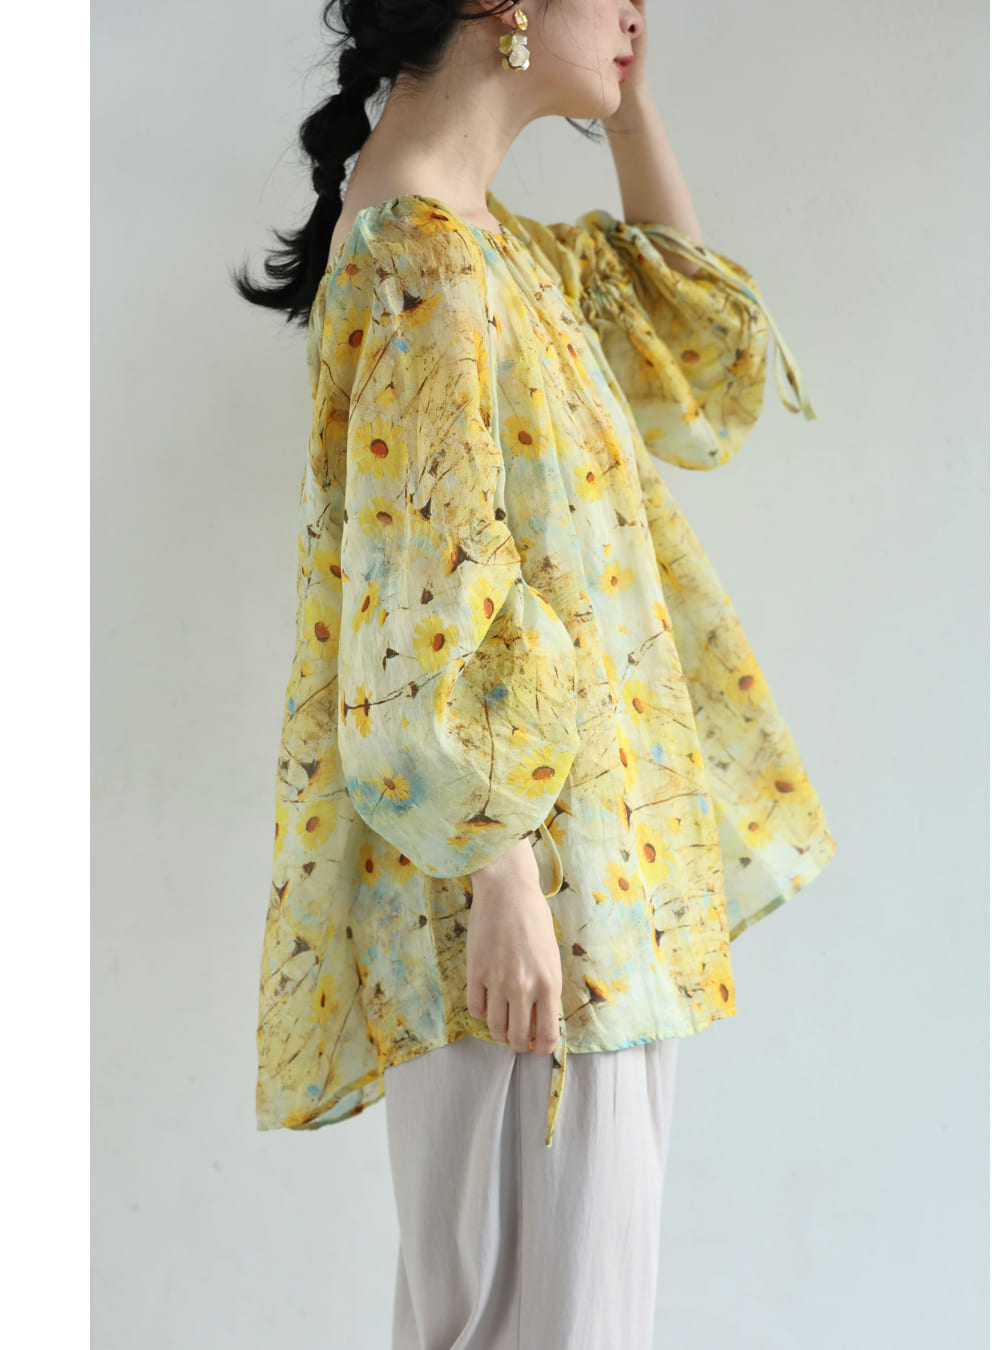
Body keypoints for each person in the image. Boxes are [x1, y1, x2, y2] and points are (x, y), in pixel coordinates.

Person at [234, 2, 837, 1346]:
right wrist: (501, 878)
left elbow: (701, 355)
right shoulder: (425, 262)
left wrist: (630, 110)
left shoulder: (480, 247)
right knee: (547, 1322)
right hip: (529, 904)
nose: (636, 11)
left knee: (534, 1315)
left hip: (576, 883)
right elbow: (414, 608)